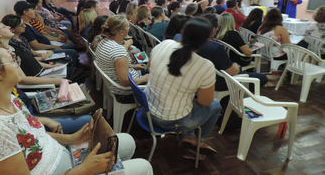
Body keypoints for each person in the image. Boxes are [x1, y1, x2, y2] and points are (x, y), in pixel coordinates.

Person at [0, 43, 153, 175]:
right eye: (12, 59)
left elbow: (34, 136)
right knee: (144, 167)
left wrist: (71, 138)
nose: (17, 61)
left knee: (127, 141)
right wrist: (84, 170)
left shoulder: (9, 99)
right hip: (65, 169)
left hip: (60, 154)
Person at [145, 18, 221, 160]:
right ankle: (197, 142)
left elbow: (148, 68)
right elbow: (205, 102)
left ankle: (189, 136)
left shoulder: (165, 44)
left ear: (182, 32)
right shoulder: (205, 66)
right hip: (169, 120)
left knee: (188, 101)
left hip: (146, 109)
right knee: (215, 105)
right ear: (206, 41)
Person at [197, 13, 268, 92]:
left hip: (207, 77)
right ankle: (240, 97)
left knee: (239, 67)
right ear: (213, 29)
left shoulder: (195, 44)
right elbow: (233, 71)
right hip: (220, 80)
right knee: (263, 78)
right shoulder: (218, 46)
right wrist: (235, 68)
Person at [95, 15, 148, 103]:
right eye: (127, 26)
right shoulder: (118, 51)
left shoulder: (102, 42)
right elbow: (125, 82)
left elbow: (113, 65)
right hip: (127, 90)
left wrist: (133, 66)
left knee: (146, 70)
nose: (129, 28)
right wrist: (143, 79)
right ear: (121, 32)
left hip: (116, 85)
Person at [13, 1, 79, 66]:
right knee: (72, 52)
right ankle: (72, 71)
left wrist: (56, 39)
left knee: (71, 46)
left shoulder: (29, 24)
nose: (34, 12)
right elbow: (36, 46)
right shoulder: (25, 28)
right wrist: (54, 46)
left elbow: (41, 35)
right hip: (45, 50)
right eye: (32, 10)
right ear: (25, 12)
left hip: (49, 46)